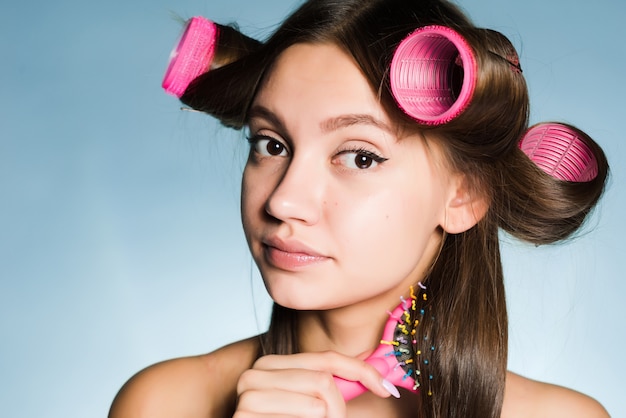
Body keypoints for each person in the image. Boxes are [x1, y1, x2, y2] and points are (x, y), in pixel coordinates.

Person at [109, 0, 610, 416]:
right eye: (271, 144)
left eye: (359, 157)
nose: (284, 200)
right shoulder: (165, 403)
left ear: (464, 195)